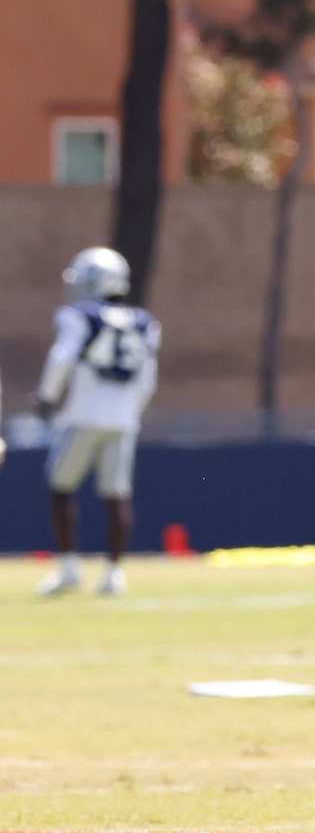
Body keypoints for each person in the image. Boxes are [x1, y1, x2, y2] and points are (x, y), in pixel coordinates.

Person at [36, 247, 158, 597]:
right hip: (123, 419)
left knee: (60, 487)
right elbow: (148, 379)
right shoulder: (144, 321)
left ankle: (69, 569)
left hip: (84, 414)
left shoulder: (78, 316)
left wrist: (47, 396)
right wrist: (132, 411)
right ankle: (113, 574)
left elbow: (62, 356)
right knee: (117, 495)